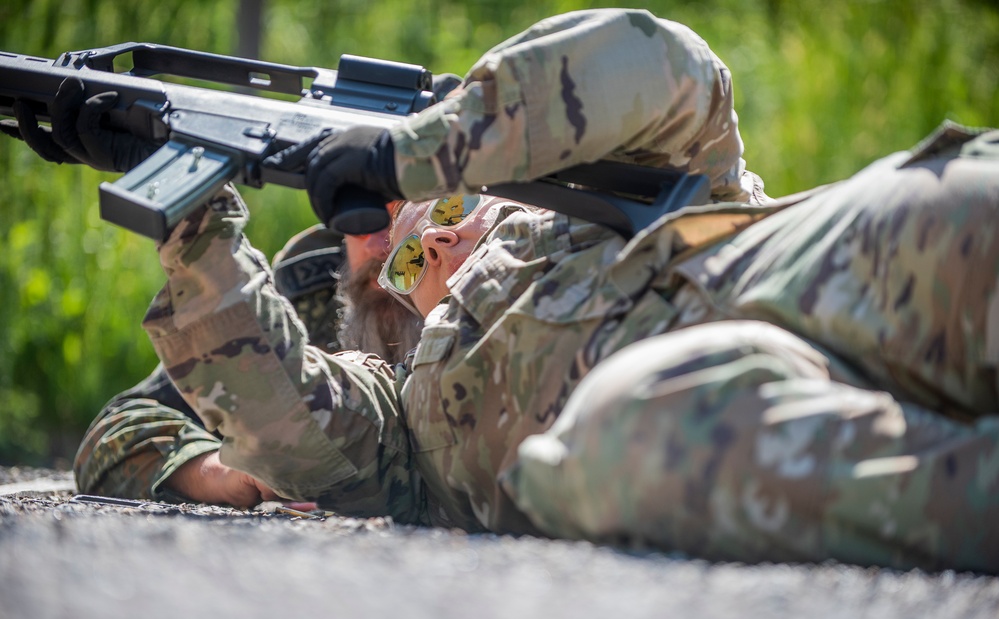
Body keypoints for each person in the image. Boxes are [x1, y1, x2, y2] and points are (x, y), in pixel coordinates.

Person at [6, 9, 998, 573]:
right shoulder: (404, 426)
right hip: (677, 421)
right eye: (383, 260)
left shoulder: (624, 180)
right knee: (628, 441)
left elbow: (666, 66)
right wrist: (195, 231)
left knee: (958, 220)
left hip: (828, 262)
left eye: (419, 207)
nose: (411, 234)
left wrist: (419, 150)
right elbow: (273, 415)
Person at [70, 221, 422, 505]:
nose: (382, 247)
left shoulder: (475, 311)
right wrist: (219, 472)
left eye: (409, 216)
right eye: (362, 218)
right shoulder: (315, 295)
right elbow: (115, 432)